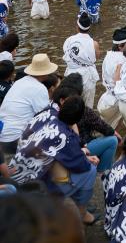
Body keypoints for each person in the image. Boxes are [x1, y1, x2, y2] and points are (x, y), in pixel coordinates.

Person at [9, 95, 98, 225]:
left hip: (14, 172)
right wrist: (85, 156)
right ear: (77, 119)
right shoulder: (66, 138)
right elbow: (80, 165)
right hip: (34, 185)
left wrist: (80, 153)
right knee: (91, 171)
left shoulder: (49, 115)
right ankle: (82, 211)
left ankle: (78, 205)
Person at [0, 53, 58, 154]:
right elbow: (45, 118)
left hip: (3, 136)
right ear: (46, 73)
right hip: (15, 139)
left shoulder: (19, 82)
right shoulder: (40, 88)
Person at [63, 13, 101, 107]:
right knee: (87, 108)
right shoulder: (94, 44)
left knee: (72, 107)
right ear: (89, 27)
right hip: (88, 78)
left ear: (77, 27)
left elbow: (66, 54)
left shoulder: (69, 40)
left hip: (71, 77)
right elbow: (97, 57)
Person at [98, 28, 126, 127]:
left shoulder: (108, 55)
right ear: (120, 46)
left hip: (107, 97)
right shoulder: (123, 60)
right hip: (117, 101)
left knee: (105, 128)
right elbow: (120, 82)